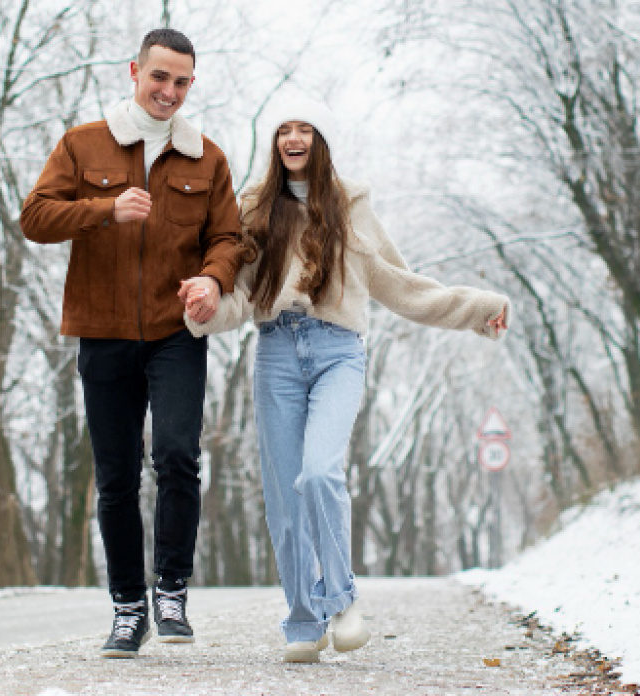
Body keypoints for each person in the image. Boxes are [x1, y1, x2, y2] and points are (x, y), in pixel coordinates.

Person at [183, 96, 510, 664]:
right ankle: (303, 624)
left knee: (319, 475)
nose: (293, 137)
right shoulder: (257, 207)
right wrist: (203, 310)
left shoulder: (352, 208)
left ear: (320, 140)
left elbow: (399, 284)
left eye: (304, 128)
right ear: (274, 143)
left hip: (338, 352)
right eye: (283, 129)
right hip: (277, 353)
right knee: (285, 501)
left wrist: (478, 306)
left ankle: (342, 600)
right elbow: (242, 297)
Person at [19, 28, 244, 659]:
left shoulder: (208, 158)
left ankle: (171, 589)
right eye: (160, 77)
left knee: (176, 456)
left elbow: (230, 238)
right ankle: (127, 609)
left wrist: (211, 277)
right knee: (115, 476)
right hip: (104, 330)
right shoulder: (84, 143)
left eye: (182, 81)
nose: (169, 91)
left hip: (176, 332)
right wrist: (103, 208)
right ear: (135, 72)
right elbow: (34, 217)